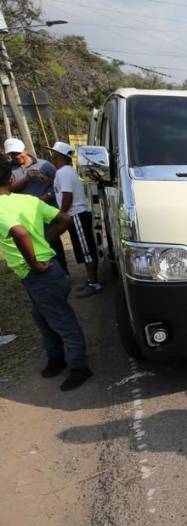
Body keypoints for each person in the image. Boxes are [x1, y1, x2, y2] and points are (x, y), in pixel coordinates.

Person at [0, 156, 93, 391]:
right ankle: (56, 358)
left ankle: (79, 367)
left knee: (62, 320)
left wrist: (34, 263)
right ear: (11, 179)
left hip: (40, 273)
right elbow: (64, 219)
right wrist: (44, 240)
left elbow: (20, 234)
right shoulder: (28, 201)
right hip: (45, 273)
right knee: (42, 318)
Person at [5, 137, 66, 273]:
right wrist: (27, 178)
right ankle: (40, 269)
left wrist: (48, 195)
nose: (15, 157)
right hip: (25, 214)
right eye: (11, 154)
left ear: (25, 150)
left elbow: (59, 184)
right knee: (32, 243)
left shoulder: (44, 165)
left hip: (46, 210)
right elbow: (9, 190)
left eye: (17, 153)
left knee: (53, 241)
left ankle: (63, 270)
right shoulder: (9, 170)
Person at [49, 141, 102, 298]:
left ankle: (94, 283)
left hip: (76, 214)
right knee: (84, 249)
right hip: (77, 214)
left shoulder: (63, 172)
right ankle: (91, 280)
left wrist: (61, 214)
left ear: (58, 156)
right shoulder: (67, 171)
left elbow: (67, 195)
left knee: (86, 251)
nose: (51, 156)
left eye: (53, 153)